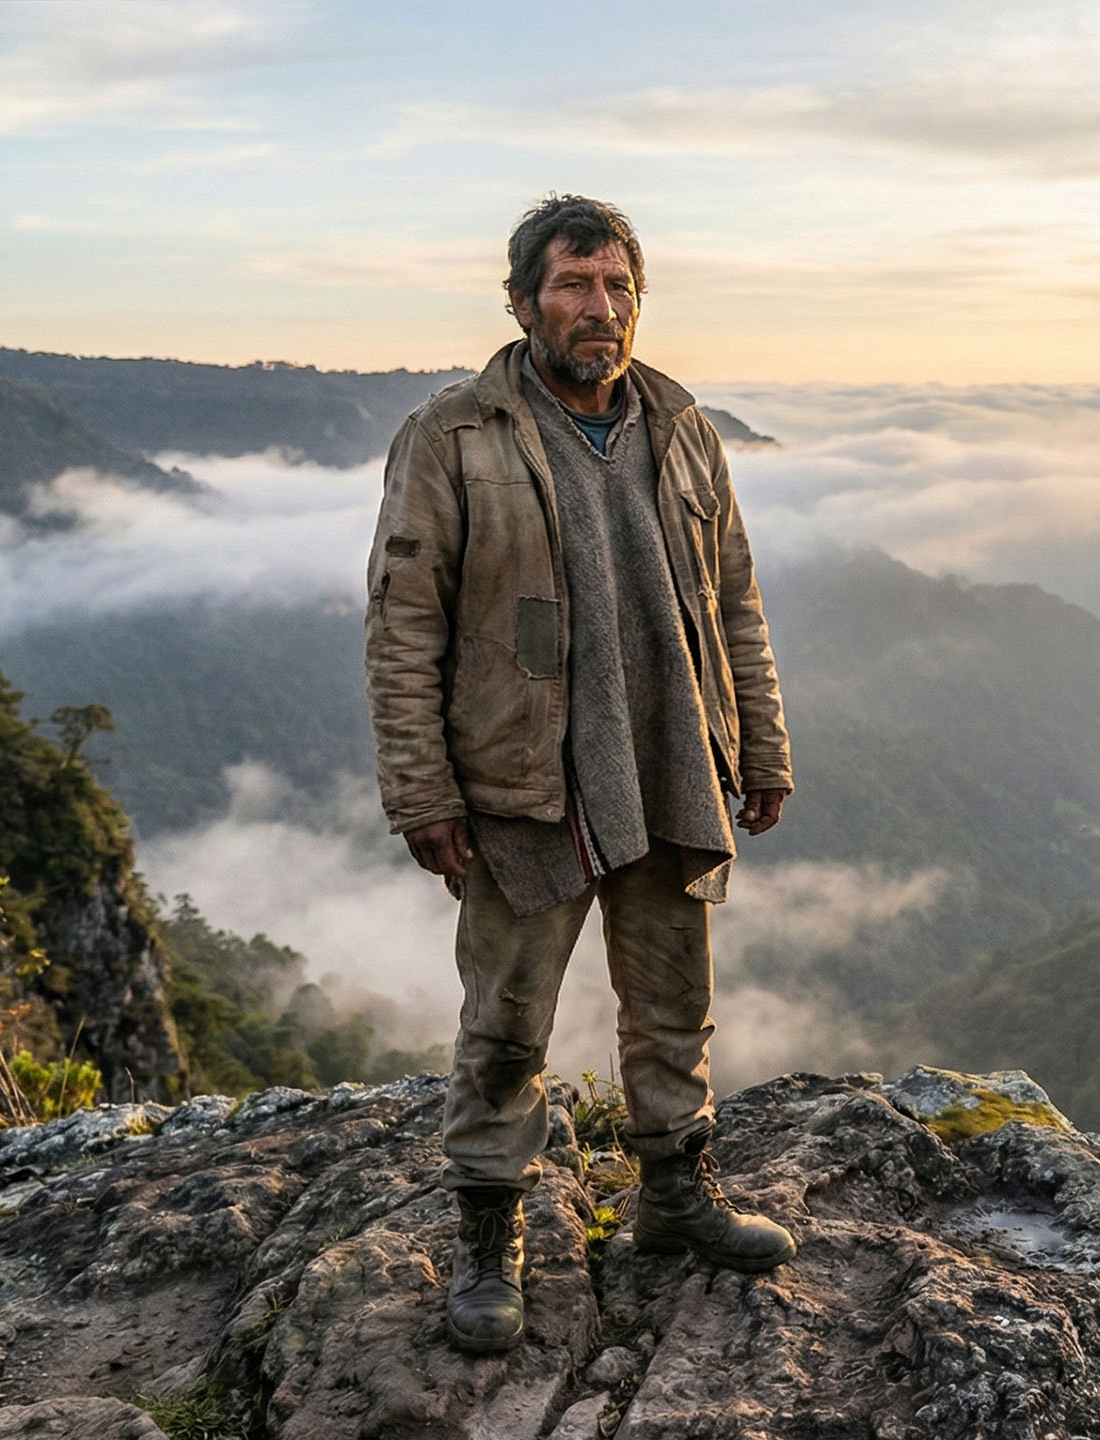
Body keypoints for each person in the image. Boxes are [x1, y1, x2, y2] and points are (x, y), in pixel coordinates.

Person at [363, 194, 796, 1354]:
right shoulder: (455, 435)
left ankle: (675, 1199)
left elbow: (735, 596)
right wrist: (422, 790)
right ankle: (487, 1238)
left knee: (673, 1006)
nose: (598, 309)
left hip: (671, 757)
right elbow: (404, 625)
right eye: (572, 285)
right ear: (521, 303)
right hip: (519, 782)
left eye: (616, 287)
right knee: (506, 1023)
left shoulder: (683, 423)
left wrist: (759, 742)